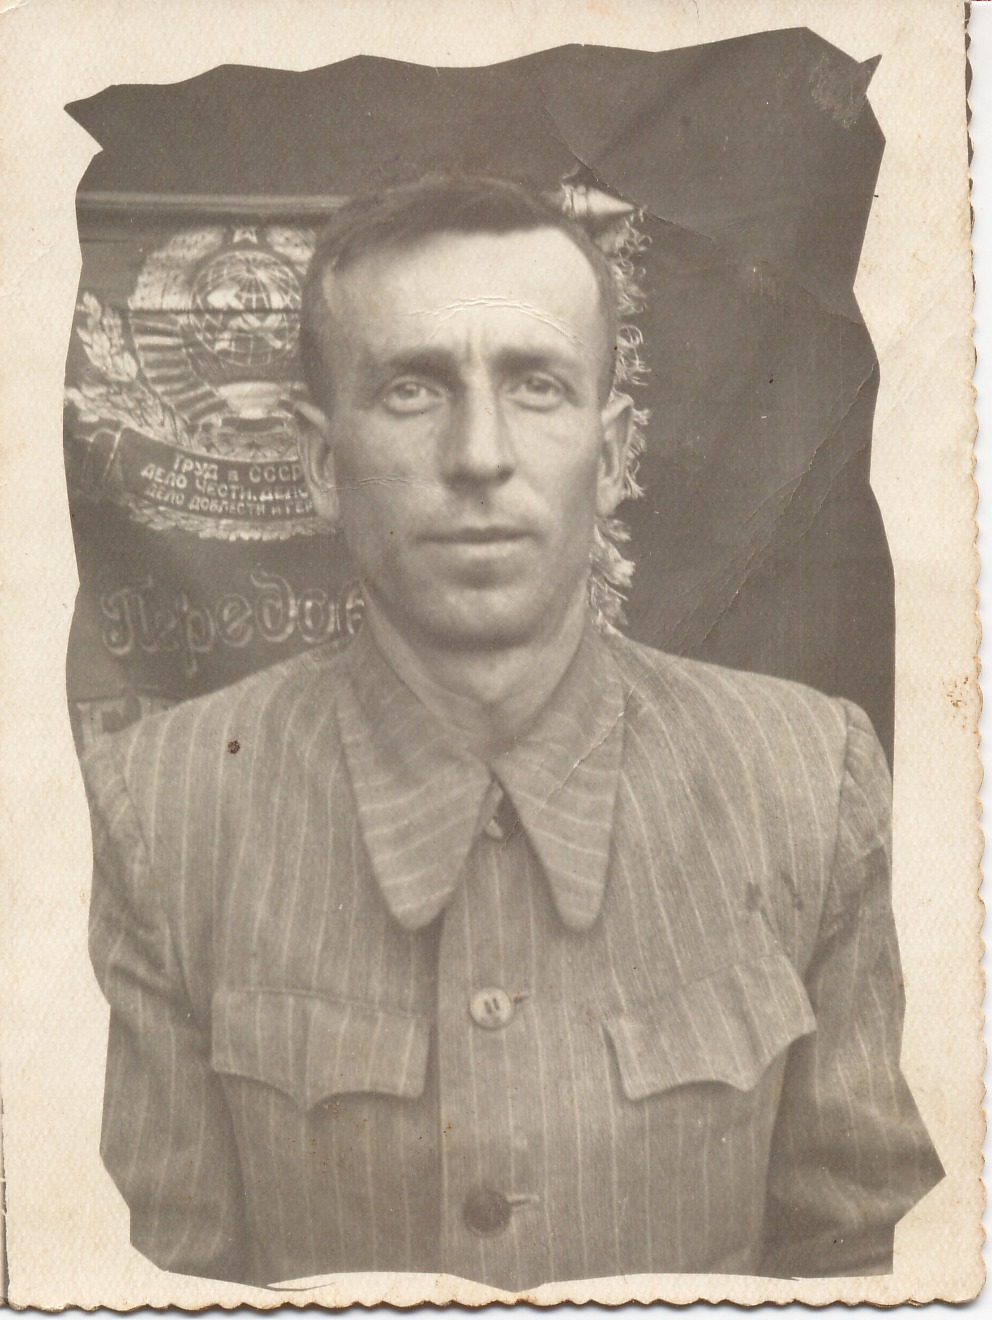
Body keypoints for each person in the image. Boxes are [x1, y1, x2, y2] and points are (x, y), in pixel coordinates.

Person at [81, 174, 943, 1291]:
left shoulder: (809, 782)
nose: (479, 454)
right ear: (319, 463)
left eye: (536, 385)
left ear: (614, 454)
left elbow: (878, 1274)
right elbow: (138, 1293)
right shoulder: (161, 812)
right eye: (411, 390)